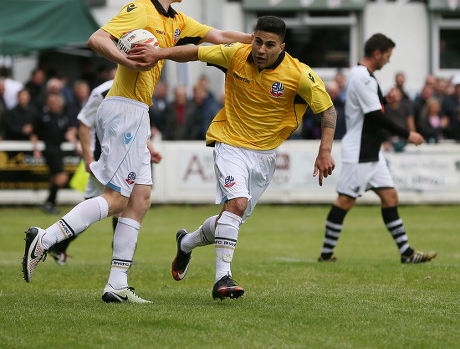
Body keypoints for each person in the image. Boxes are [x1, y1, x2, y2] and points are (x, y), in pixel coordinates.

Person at [22, 0, 252, 304]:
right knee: (115, 199)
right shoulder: (139, 10)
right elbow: (97, 39)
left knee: (140, 199)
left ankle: (116, 284)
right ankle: (45, 239)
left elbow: (219, 37)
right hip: (124, 109)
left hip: (138, 113)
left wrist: (257, 42)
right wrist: (126, 61)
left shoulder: (176, 20)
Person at [131, 15, 337, 300]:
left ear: (282, 47)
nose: (261, 49)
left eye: (270, 44)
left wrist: (324, 150)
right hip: (229, 143)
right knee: (236, 204)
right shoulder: (235, 54)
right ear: (252, 38)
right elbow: (194, 51)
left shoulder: (299, 74)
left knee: (231, 217)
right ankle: (222, 279)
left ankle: (187, 242)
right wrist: (159, 53)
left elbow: (328, 110)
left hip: (264, 156)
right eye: (258, 41)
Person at [318, 33, 437, 264]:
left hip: (372, 152)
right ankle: (326, 254)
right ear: (377, 53)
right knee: (345, 201)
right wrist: (407, 133)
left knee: (390, 197)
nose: (388, 61)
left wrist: (385, 99)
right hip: (361, 152)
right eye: (388, 56)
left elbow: (373, 109)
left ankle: (406, 253)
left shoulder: (364, 76)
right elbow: (374, 116)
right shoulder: (362, 77)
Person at [47, 77, 162, 265]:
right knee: (113, 204)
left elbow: (138, 125)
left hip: (128, 155)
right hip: (104, 156)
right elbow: (83, 123)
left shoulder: (142, 85)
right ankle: (120, 259)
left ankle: (58, 245)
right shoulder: (102, 92)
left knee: (113, 205)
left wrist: (150, 148)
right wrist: (88, 159)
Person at [31, 92, 78, 214]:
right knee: (62, 177)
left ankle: (51, 204)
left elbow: (67, 132)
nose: (53, 104)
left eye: (55, 101)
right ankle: (49, 202)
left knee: (55, 178)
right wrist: (36, 149)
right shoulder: (42, 116)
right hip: (49, 149)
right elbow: (34, 134)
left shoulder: (61, 116)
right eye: (51, 102)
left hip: (58, 149)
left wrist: (74, 141)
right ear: (47, 102)